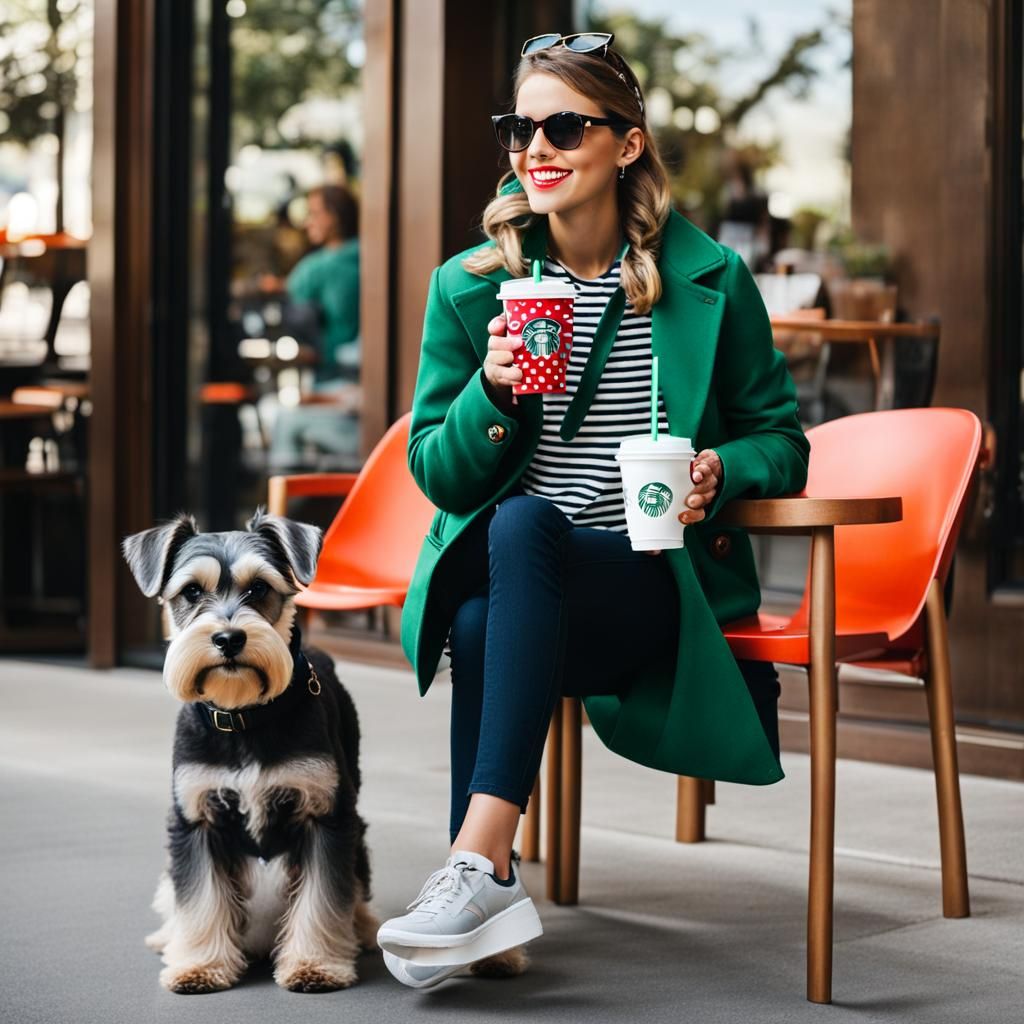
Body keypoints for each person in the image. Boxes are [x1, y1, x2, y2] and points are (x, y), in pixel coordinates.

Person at [377, 32, 810, 988]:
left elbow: (783, 439)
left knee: (520, 540)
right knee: (498, 585)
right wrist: (490, 395)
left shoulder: (709, 281)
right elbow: (439, 477)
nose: (536, 147)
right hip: (523, 590)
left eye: (563, 126)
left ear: (626, 145)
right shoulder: (472, 287)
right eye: (520, 128)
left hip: (651, 587)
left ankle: (478, 864)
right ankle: (482, 879)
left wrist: (717, 469)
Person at [269, 184, 361, 468]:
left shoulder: (320, 266)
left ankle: (280, 508)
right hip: (356, 385)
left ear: (334, 216)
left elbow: (287, 289)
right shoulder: (371, 256)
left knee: (284, 421)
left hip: (344, 386)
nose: (308, 221)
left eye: (314, 213)